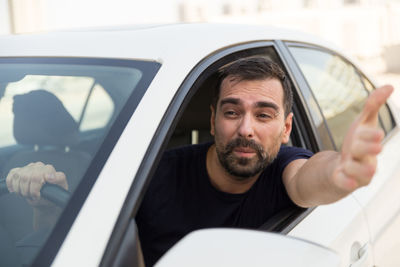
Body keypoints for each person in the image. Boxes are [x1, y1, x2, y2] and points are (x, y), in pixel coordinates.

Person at [6, 57, 394, 266]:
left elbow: (311, 177)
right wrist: (42, 200)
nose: (246, 129)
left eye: (263, 115)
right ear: (212, 120)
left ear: (287, 127)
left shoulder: (285, 166)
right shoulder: (149, 173)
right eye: (231, 112)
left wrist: (341, 172)